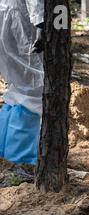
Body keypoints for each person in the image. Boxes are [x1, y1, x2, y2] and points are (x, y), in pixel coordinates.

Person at [0, 0, 44, 166]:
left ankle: (4, 153)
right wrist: (40, 21)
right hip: (21, 17)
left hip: (7, 12)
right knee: (33, 88)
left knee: (17, 86)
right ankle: (22, 160)